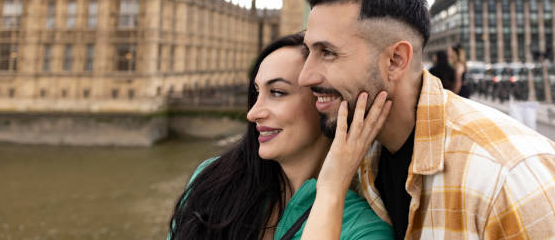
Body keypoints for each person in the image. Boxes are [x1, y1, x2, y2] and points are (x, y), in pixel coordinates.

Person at [299, 0, 555, 239]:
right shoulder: (356, 157)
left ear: (395, 61)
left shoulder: (510, 176)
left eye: (327, 52)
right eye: (308, 51)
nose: (305, 76)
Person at [168, 33, 393, 240]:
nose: (253, 113)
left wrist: (331, 191)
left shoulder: (363, 230)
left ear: (327, 103)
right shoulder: (211, 181)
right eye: (257, 93)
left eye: (277, 92)